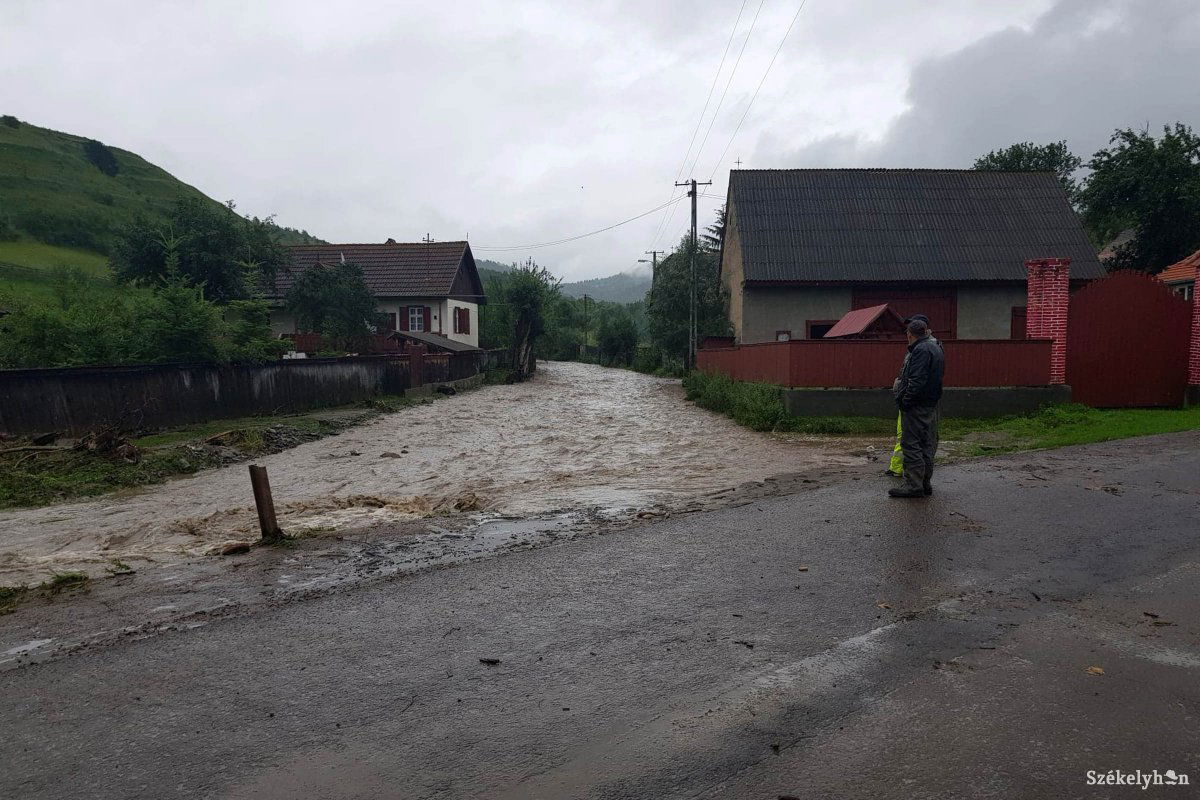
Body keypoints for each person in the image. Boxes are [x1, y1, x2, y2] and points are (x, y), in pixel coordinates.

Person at [888, 318, 944, 498]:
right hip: (931, 404)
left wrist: (905, 401)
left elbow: (916, 381)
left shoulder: (920, 350)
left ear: (909, 334)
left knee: (911, 444)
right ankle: (925, 483)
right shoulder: (936, 346)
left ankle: (914, 485)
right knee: (927, 444)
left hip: (917, 405)